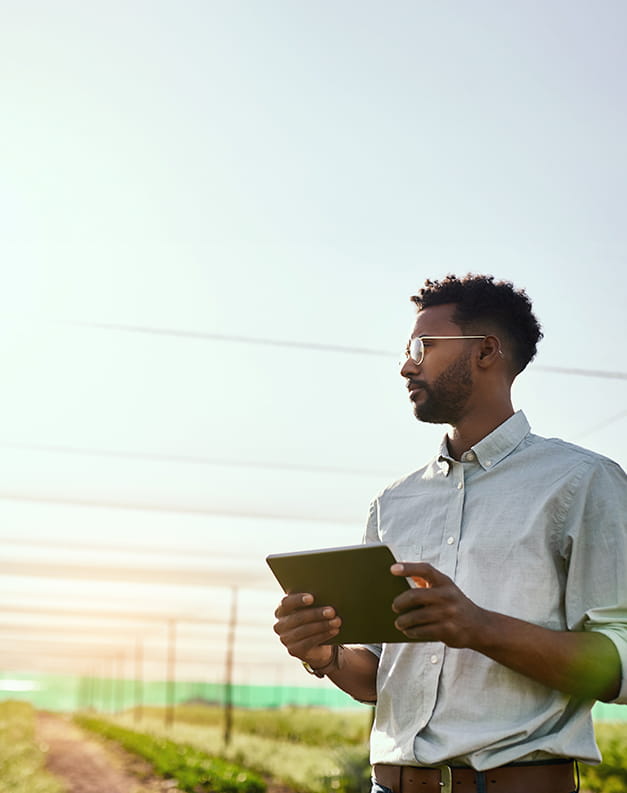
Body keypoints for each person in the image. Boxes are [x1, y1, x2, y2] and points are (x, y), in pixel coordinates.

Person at [273, 274, 627, 793]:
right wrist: (324, 655)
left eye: (423, 346)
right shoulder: (393, 503)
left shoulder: (583, 482)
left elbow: (619, 662)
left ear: (486, 351)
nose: (406, 365)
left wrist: (478, 626)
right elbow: (378, 675)